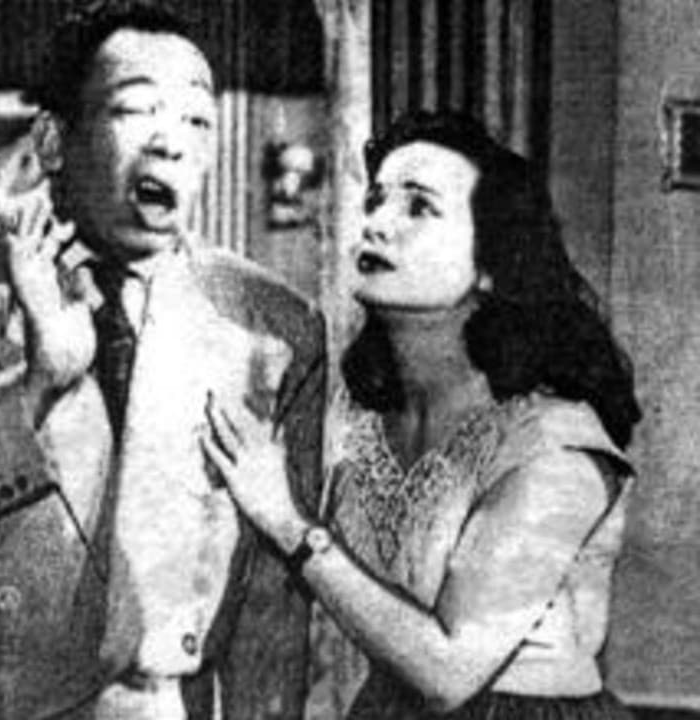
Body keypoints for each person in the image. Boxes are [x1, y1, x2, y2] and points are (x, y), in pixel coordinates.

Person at [0, 2, 326, 718]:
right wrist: (36, 385)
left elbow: (272, 620)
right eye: (137, 111)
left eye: (197, 121)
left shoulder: (270, 329)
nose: (172, 143)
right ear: (54, 140)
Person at [202, 110, 642, 719]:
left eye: (418, 207)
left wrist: (287, 522)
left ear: (491, 266)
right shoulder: (360, 411)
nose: (378, 223)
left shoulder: (557, 445)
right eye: (376, 199)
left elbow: (448, 672)